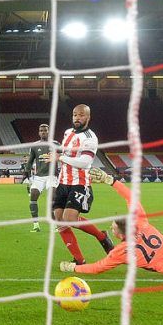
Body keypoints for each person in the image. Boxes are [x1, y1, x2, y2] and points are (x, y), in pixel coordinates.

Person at [47, 104, 114, 265]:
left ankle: (102, 237)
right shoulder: (67, 133)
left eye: (81, 115)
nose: (77, 117)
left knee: (69, 218)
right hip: (62, 182)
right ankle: (79, 260)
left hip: (80, 183)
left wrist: (60, 158)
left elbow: (85, 162)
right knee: (58, 219)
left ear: (88, 117)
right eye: (75, 114)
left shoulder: (90, 138)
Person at [23, 124, 61, 232]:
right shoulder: (34, 145)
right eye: (41, 130)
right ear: (39, 132)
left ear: (49, 132)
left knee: (52, 199)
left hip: (52, 176)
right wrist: (26, 172)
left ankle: (54, 225)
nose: (43, 132)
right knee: (33, 198)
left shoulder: (55, 144)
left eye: (45, 130)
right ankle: (36, 225)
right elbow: (30, 160)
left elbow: (64, 156)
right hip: (39, 177)